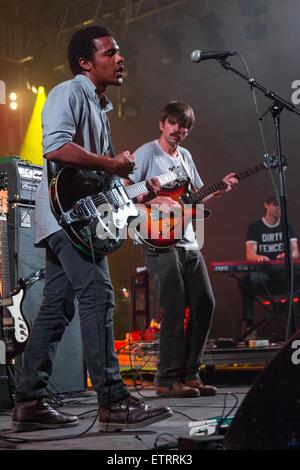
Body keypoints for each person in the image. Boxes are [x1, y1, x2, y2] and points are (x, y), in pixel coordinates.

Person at [12, 25, 172, 432]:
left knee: (56, 307)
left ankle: (29, 401)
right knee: (99, 296)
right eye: (111, 52)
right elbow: (55, 148)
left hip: (70, 219)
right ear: (87, 62)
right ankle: (114, 400)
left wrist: (137, 191)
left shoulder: (99, 107)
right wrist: (112, 165)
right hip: (68, 220)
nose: (121, 59)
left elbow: (97, 180)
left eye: (120, 53)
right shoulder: (69, 92)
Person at [129, 101, 238, 398]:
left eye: (185, 126)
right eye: (174, 123)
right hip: (158, 241)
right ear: (162, 123)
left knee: (205, 303)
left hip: (188, 240)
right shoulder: (146, 153)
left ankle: (190, 375)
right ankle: (165, 380)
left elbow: (196, 196)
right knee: (175, 307)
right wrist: (154, 202)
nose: (179, 130)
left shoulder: (185, 157)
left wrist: (220, 188)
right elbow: (125, 191)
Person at [240, 191, 299, 335]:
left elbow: (296, 252)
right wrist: (258, 257)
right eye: (276, 205)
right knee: (245, 282)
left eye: (281, 206)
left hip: (284, 276)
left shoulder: (287, 226)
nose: (279, 208)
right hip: (263, 276)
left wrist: (288, 256)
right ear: (266, 205)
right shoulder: (255, 227)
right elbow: (250, 254)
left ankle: (295, 328)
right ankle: (249, 325)